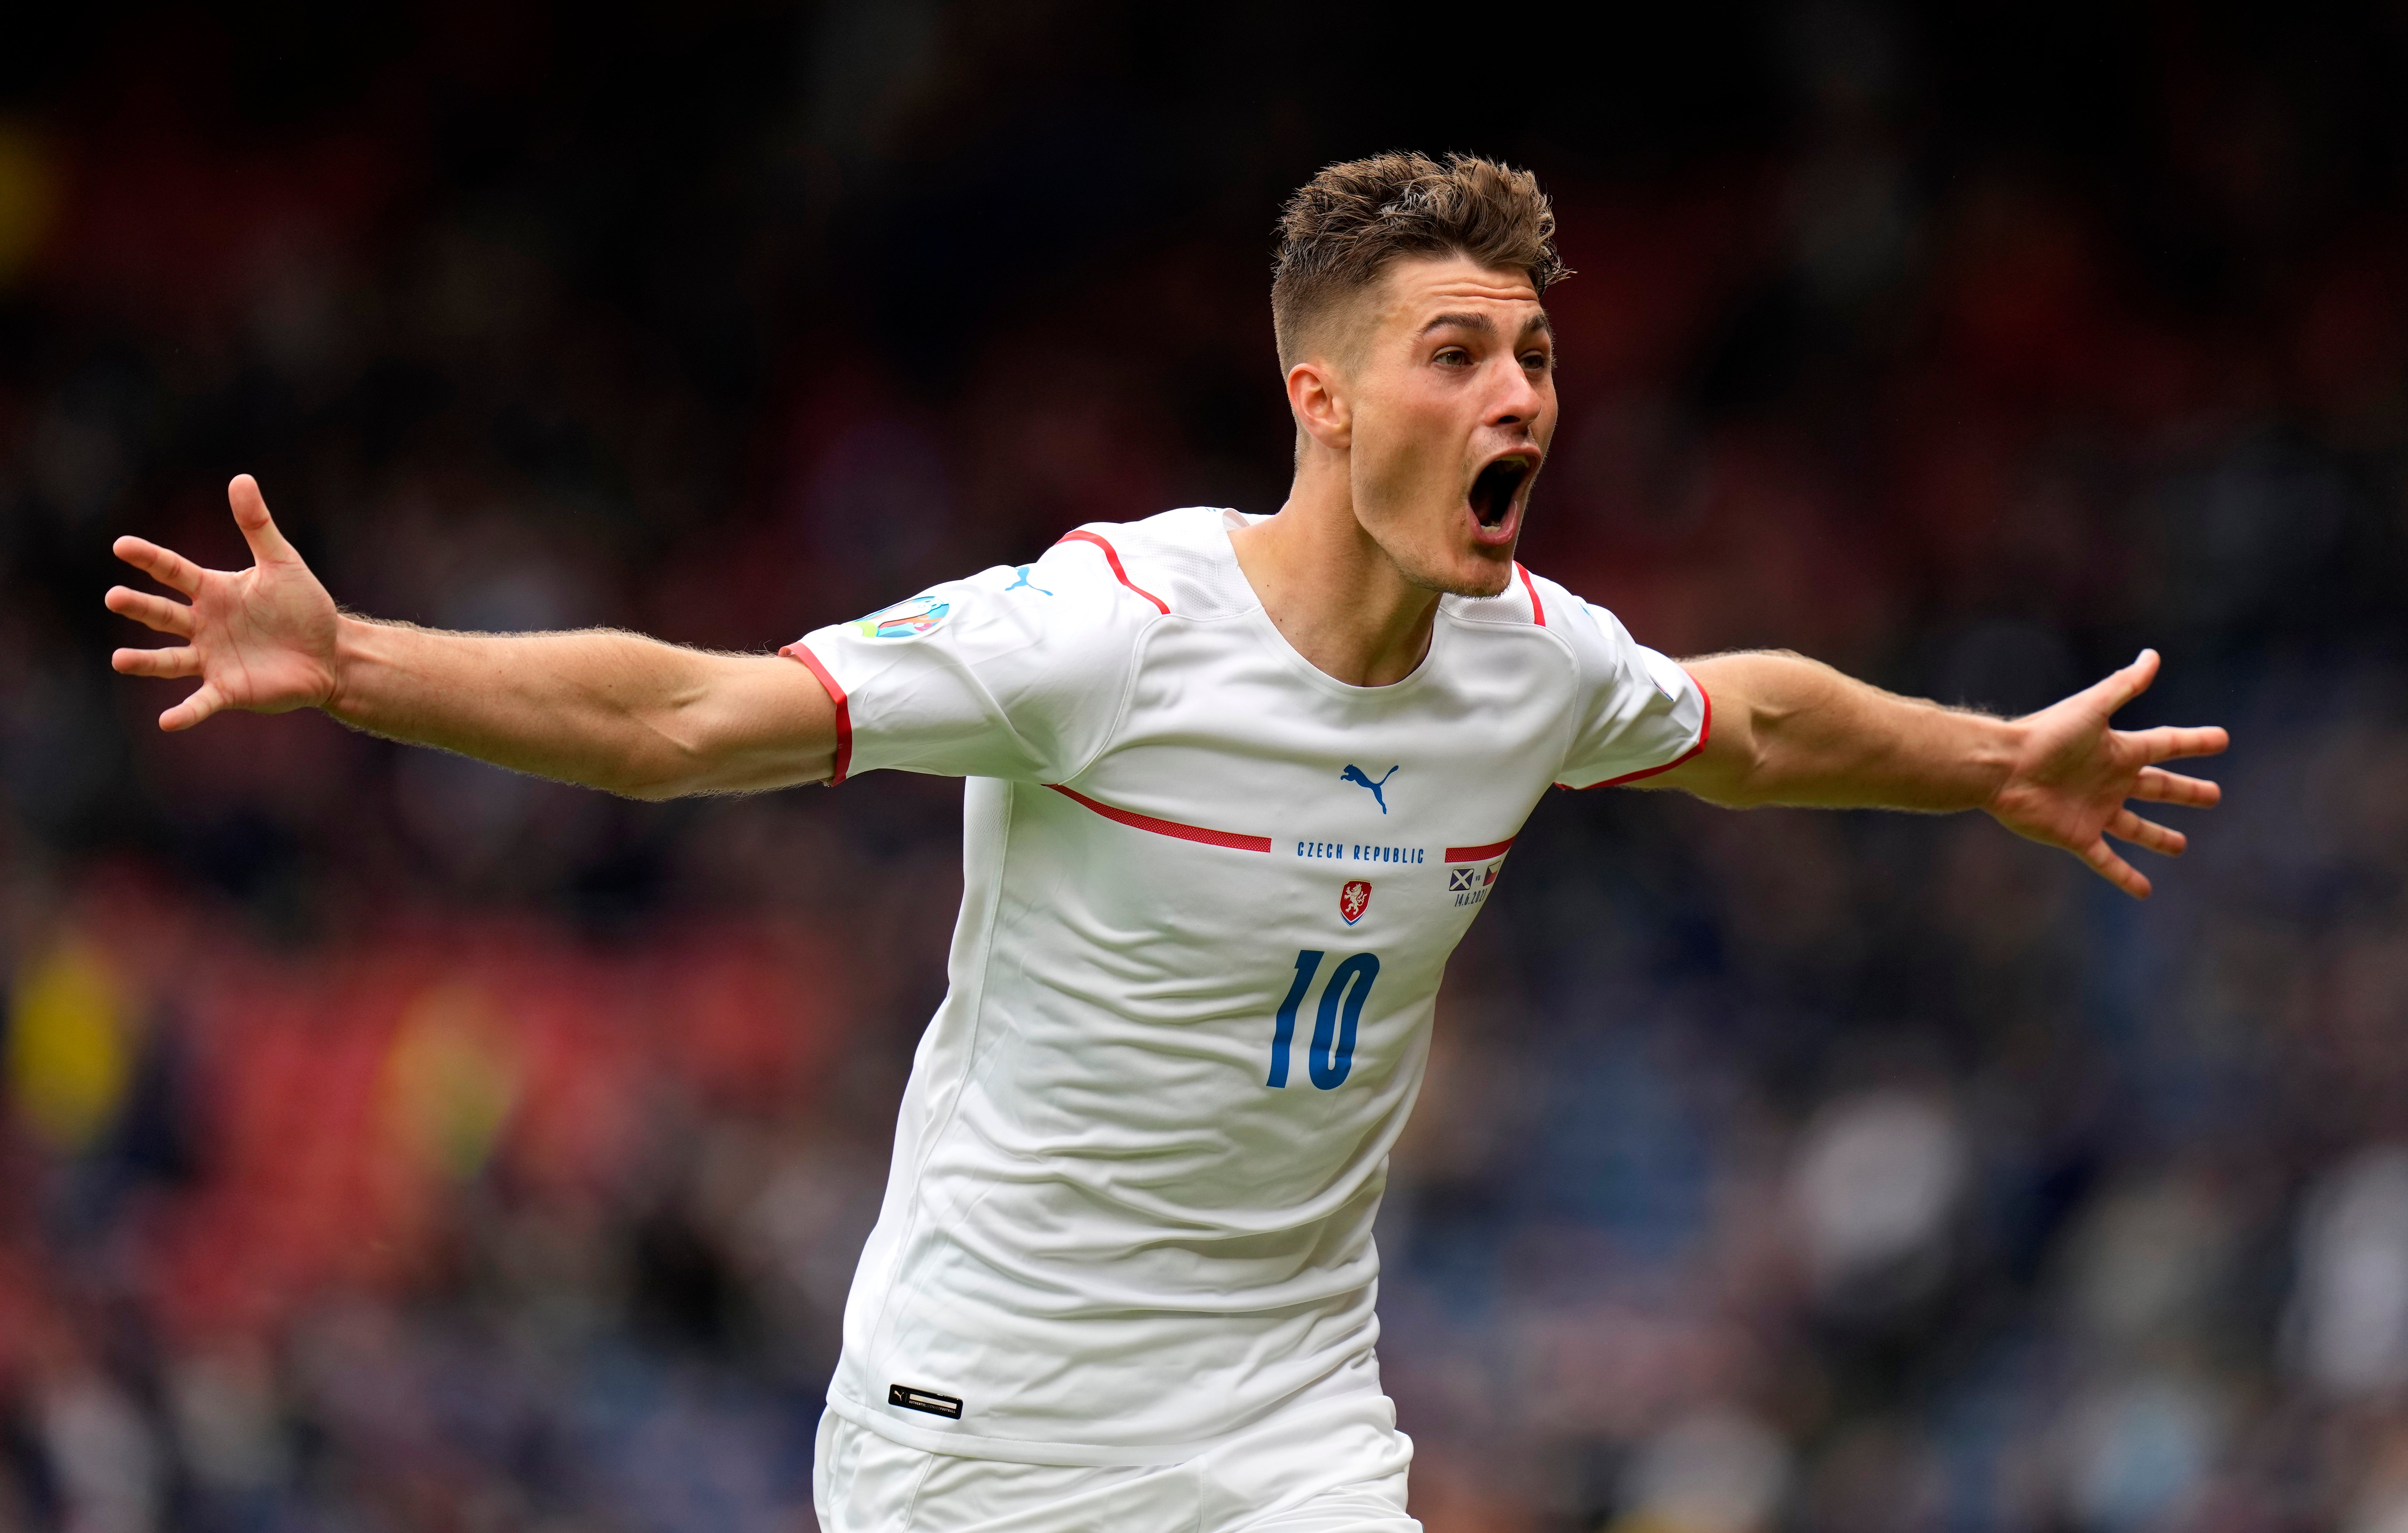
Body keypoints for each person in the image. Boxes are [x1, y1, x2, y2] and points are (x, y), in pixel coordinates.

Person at [103, 152, 2227, 1531]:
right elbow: (682, 718)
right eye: (1455, 355)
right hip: (990, 1433)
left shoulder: (1532, 660)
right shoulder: (1104, 633)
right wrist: (359, 657)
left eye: (1539, 356)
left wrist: (1989, 763)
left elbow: (1744, 723)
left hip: (1283, 1427)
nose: (1520, 401)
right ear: (1317, 399)